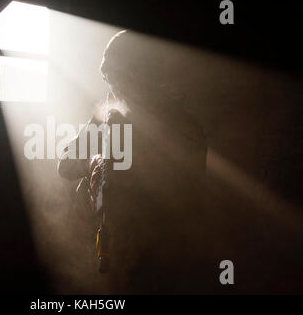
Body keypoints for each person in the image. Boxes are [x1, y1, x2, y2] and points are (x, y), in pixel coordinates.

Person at [58, 30, 208, 292]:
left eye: (122, 78)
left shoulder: (183, 128)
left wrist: (125, 172)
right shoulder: (107, 118)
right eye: (110, 78)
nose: (114, 88)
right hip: (109, 258)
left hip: (160, 264)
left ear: (146, 77)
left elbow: (184, 200)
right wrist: (94, 161)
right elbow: (66, 164)